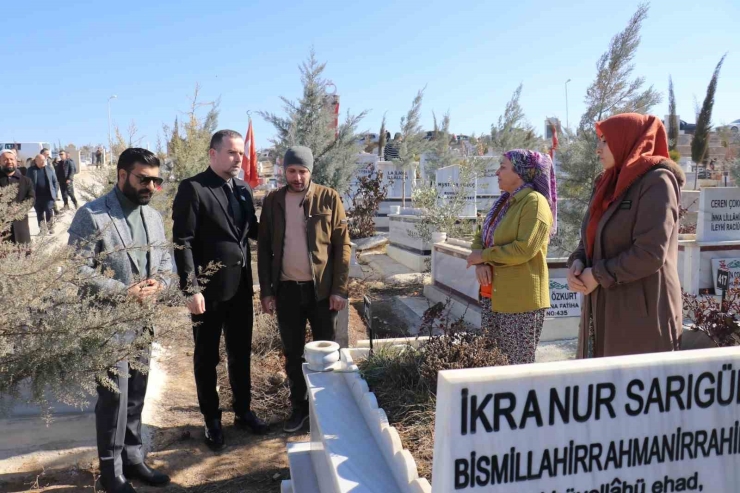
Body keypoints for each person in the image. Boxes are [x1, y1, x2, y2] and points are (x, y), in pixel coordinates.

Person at [68, 148, 172, 493]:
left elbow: (165, 264)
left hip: (144, 322)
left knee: (136, 397)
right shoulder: (93, 215)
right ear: (122, 174)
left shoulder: (153, 217)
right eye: (144, 179)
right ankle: (111, 474)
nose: (151, 186)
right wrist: (120, 290)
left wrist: (161, 282)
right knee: (113, 400)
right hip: (107, 324)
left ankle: (133, 458)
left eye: (156, 180)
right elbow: (76, 270)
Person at [172, 129, 267, 451]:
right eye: (231, 153)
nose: (238, 158)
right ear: (213, 154)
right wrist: (191, 289)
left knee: (240, 354)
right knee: (207, 357)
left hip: (240, 288)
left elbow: (252, 232)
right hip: (208, 293)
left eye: (240, 153)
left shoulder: (242, 189)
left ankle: (243, 411)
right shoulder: (194, 188)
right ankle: (212, 419)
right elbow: (182, 241)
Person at [566, 113, 684, 358]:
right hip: (601, 310)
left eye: (605, 141)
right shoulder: (606, 182)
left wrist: (598, 274)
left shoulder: (657, 181)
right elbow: (591, 236)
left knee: (632, 391)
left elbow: (650, 253)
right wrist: (577, 262)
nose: (598, 149)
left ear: (627, 140)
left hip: (641, 314)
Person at [258, 146, 351, 432]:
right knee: (293, 352)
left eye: (302, 171)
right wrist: (266, 291)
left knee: (327, 350)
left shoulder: (328, 197)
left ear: (311, 171)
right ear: (283, 171)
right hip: (286, 290)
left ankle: (326, 410)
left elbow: (342, 246)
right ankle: (299, 409)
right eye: (291, 171)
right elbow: (263, 250)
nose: (297, 177)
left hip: (321, 292)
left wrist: (339, 289)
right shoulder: (273, 200)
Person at [467, 149, 556, 365]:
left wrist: (483, 256)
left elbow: (524, 249)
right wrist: (482, 262)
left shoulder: (533, 203)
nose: (497, 172)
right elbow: (482, 235)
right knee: (494, 363)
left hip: (520, 301)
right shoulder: (505, 202)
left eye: (503, 167)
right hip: (493, 296)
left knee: (517, 367)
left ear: (520, 173)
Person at [0, 149, 34, 245]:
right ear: (0, 161)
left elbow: (31, 199)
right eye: (5, 160)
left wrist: (19, 209)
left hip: (21, 226)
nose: (9, 162)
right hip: (2, 227)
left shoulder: (26, 181)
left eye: (11, 159)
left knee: (23, 255)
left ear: (15, 161)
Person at [26, 154, 59, 234]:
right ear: (36, 161)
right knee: (39, 213)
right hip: (37, 196)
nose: (44, 161)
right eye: (41, 160)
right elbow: (27, 183)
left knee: (49, 211)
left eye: (44, 160)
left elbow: (55, 181)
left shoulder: (49, 169)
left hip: (48, 196)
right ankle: (42, 230)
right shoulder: (31, 170)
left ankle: (50, 227)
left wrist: (55, 192)